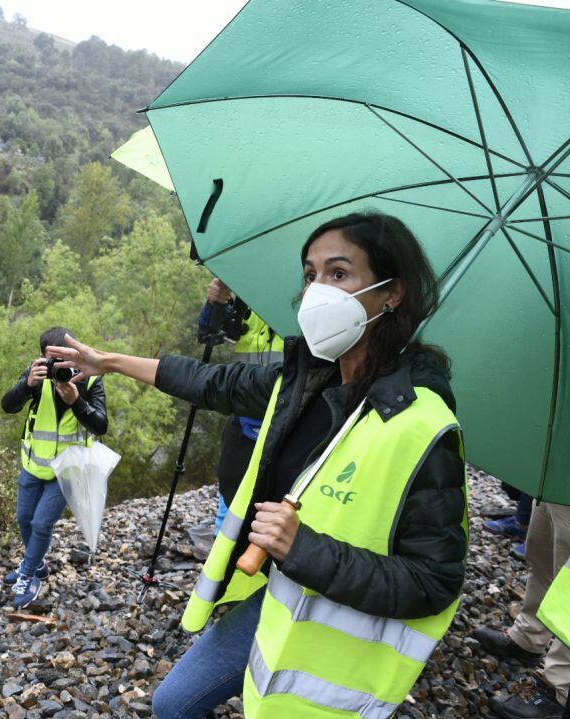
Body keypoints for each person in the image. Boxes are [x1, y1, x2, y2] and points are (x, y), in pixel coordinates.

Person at [48, 212, 468, 718]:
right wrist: (109, 362)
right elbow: (207, 382)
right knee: (173, 703)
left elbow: (434, 582)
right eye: (311, 275)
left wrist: (304, 548)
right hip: (276, 596)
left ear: (391, 293)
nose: (317, 292)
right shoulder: (305, 380)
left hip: (335, 644)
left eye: (339, 274)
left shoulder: (422, 425)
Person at [0, 326, 108, 609]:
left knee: (41, 523)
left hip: (69, 469)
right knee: (24, 518)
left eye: (63, 361)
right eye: (52, 360)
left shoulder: (91, 379)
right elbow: (7, 406)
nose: (57, 367)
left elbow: (101, 426)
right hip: (35, 464)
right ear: (43, 357)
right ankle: (37, 563)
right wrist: (26, 386)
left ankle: (29, 575)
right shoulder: (35, 373)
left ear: (74, 356)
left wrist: (77, 401)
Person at [188, 280, 284, 554]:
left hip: (285, 421)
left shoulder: (303, 305)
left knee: (271, 501)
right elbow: (208, 334)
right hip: (244, 419)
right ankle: (222, 559)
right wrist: (215, 303)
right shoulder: (248, 299)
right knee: (230, 489)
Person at [473, 500, 570, 719]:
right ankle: (529, 636)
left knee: (569, 578)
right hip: (555, 475)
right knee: (541, 548)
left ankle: (561, 687)